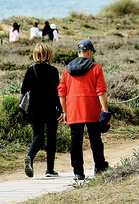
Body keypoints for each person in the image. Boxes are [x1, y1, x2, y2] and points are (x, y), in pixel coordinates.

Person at [57, 40, 110, 180]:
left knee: (75, 141)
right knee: (95, 140)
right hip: (91, 108)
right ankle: (99, 166)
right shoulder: (96, 68)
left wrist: (64, 111)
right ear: (89, 51)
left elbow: (61, 93)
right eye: (92, 52)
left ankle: (78, 172)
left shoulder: (66, 69)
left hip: (73, 109)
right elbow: (101, 91)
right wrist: (105, 111)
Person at [21, 43, 62, 178]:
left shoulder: (30, 70)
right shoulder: (53, 71)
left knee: (38, 137)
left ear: (35, 55)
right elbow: (57, 93)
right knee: (51, 140)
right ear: (49, 55)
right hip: (50, 110)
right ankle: (50, 170)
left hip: (34, 110)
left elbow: (23, 91)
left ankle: (30, 157)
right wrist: (61, 110)